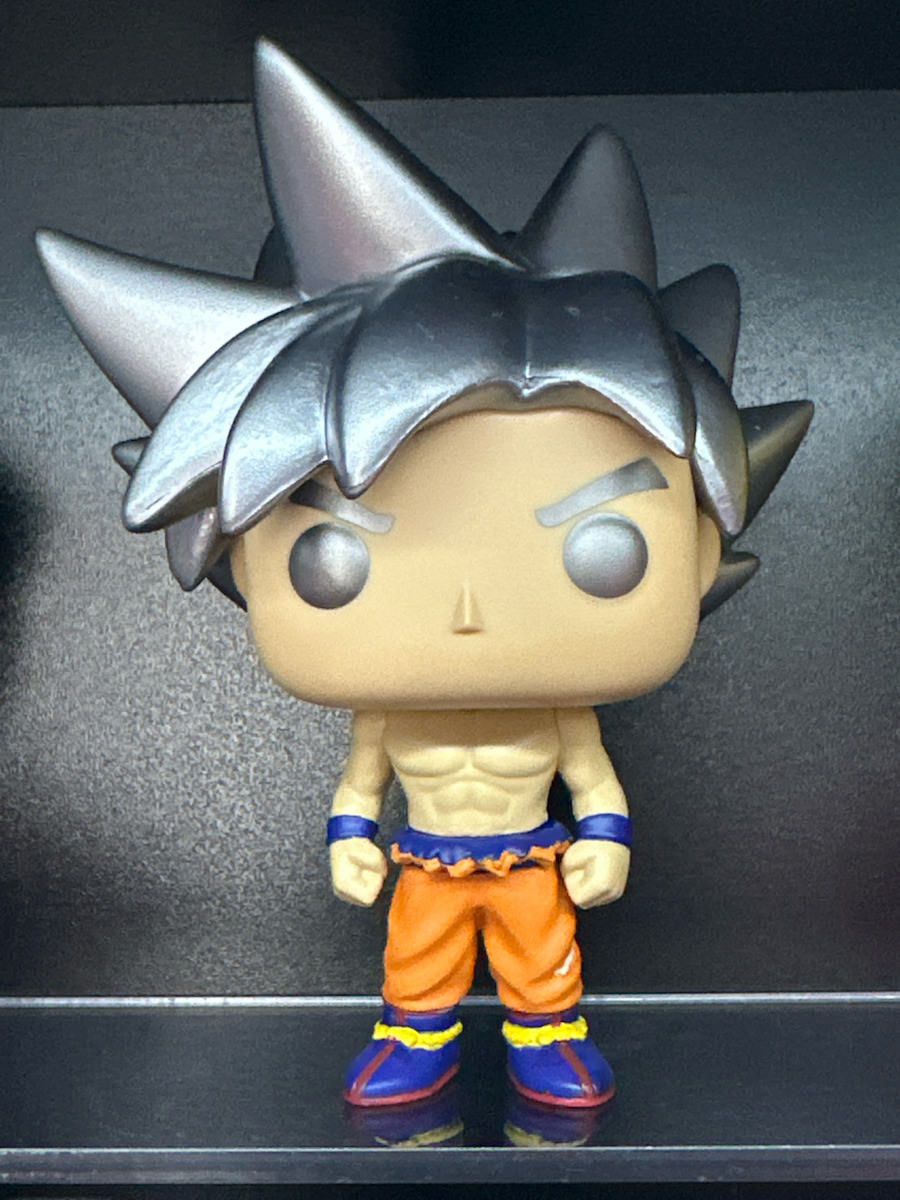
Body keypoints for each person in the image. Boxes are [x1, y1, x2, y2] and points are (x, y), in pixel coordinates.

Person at [37, 39, 812, 1107]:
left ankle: (547, 1038)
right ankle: (416, 1036)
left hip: (531, 858)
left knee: (543, 960)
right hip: (428, 864)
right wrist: (349, 841)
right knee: (419, 960)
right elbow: (362, 785)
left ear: (698, 546)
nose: (467, 612)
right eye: (333, 558)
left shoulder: (559, 712)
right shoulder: (390, 719)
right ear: (241, 561)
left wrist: (608, 840)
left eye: (604, 550)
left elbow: (592, 778)